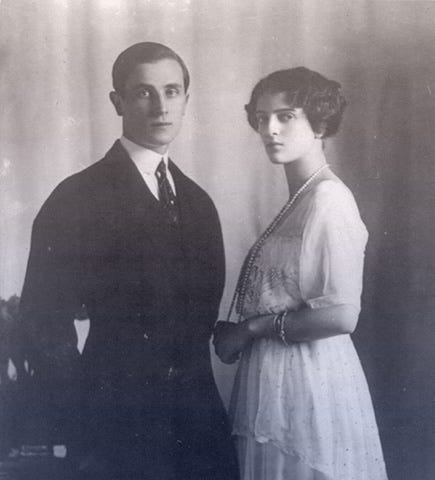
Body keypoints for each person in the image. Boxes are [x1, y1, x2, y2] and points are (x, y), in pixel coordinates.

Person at [20, 42, 239, 480]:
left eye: (172, 91)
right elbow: (43, 322)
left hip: (198, 426)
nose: (160, 106)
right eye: (143, 92)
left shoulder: (198, 202)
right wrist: (86, 412)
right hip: (116, 426)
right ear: (117, 101)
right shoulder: (78, 196)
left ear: (186, 100)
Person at [213, 67, 388, 479]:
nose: (270, 129)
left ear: (320, 122)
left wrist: (250, 329)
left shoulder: (328, 200)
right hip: (275, 380)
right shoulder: (302, 198)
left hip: (307, 383)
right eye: (261, 117)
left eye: (285, 115)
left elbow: (343, 315)